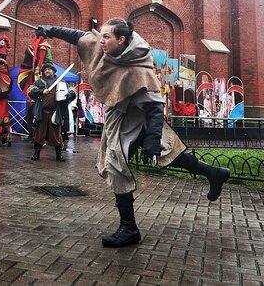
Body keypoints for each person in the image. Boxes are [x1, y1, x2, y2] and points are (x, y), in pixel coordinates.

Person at [36, 19, 230, 248]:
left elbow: (155, 107)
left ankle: (129, 228)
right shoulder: (102, 45)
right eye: (102, 35)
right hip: (121, 114)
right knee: (168, 155)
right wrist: (50, 29)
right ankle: (213, 172)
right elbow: (79, 35)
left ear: (122, 39)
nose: (101, 40)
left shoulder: (138, 65)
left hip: (140, 118)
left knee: (118, 164)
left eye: (107, 36)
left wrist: (151, 139)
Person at [27, 63, 74, 161]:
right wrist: (41, 91)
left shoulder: (61, 82)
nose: (47, 71)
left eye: (49, 69)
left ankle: (59, 155)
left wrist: (69, 95)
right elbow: (30, 91)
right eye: (45, 70)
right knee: (39, 134)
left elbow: (72, 91)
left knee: (56, 134)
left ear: (53, 71)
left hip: (55, 112)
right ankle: (36, 153)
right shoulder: (39, 82)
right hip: (42, 113)